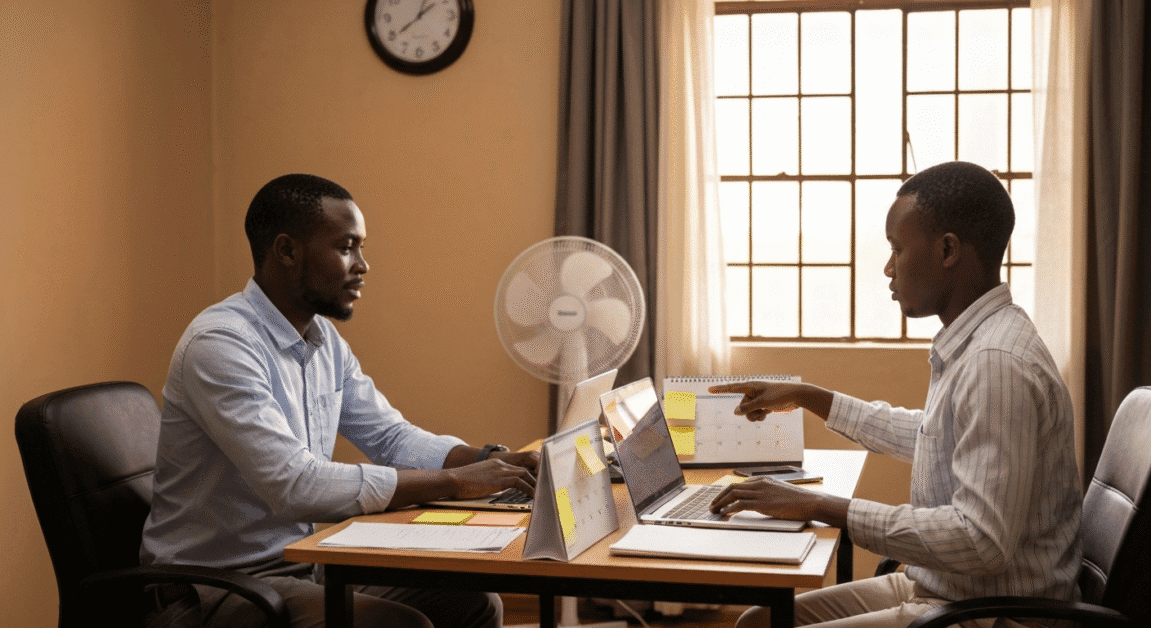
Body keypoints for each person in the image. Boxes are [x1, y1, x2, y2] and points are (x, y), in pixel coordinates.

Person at [140, 173, 539, 628]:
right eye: (347, 247)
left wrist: (496, 461)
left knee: (475, 601)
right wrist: (456, 480)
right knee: (397, 626)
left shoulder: (321, 338)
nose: (363, 265)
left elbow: (389, 435)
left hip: (302, 566)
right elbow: (297, 486)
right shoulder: (221, 345)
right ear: (287, 251)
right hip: (216, 587)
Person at [709, 161, 1082, 628]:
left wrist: (820, 506)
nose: (888, 268)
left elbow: (980, 540)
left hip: (988, 614)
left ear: (948, 250)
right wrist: (808, 395)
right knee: (758, 623)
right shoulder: (979, 341)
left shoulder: (996, 361)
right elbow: (933, 435)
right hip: (948, 589)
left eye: (897, 248)